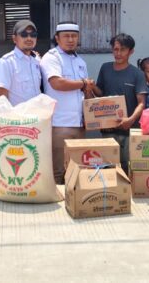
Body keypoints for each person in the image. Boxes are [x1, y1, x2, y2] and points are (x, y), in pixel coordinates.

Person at [40, 21, 95, 184]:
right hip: (59, 124)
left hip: (79, 124)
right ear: (57, 38)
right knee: (58, 171)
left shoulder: (80, 61)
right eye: (66, 36)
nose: (70, 39)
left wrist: (89, 115)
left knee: (77, 169)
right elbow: (57, 83)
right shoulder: (51, 57)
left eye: (74, 36)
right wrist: (84, 83)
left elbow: (85, 92)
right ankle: (57, 208)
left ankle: (73, 203)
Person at [93, 33, 148, 172]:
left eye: (122, 50)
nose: (118, 53)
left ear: (131, 51)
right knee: (108, 167)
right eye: (115, 49)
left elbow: (142, 103)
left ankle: (126, 193)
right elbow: (100, 93)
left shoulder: (137, 74)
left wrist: (130, 120)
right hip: (108, 129)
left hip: (129, 130)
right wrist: (91, 86)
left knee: (128, 167)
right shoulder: (105, 68)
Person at [0, 20, 42, 106]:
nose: (29, 38)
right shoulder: (7, 62)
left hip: (37, 117)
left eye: (33, 35)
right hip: (17, 118)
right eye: (24, 35)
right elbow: (2, 97)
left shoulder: (37, 61)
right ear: (14, 38)